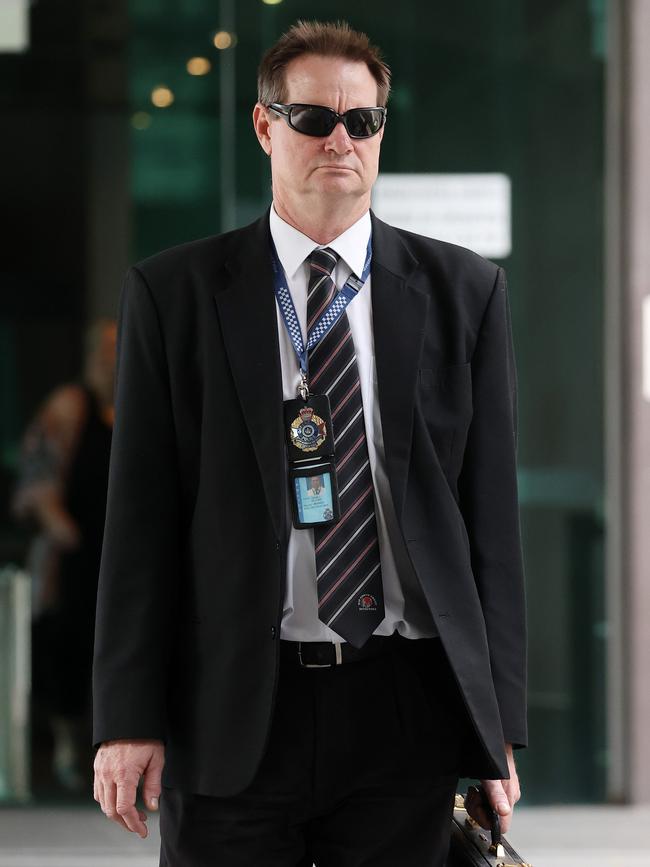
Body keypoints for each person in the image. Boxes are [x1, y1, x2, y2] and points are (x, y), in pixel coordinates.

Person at [92, 20, 526, 867]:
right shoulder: (174, 293)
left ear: (380, 133)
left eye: (361, 122)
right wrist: (127, 717)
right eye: (313, 119)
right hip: (236, 703)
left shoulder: (463, 291)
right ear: (264, 126)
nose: (340, 139)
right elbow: (139, 521)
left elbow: (491, 526)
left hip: (407, 701)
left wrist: (498, 726)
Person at [12, 318, 115, 791]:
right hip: (74, 554)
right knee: (68, 652)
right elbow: (36, 482)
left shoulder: (138, 402)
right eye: (108, 350)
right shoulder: (70, 406)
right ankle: (69, 751)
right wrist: (66, 531)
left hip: (119, 554)